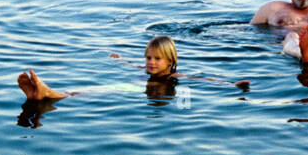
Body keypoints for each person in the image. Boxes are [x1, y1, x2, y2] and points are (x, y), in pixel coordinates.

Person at [16, 36, 249, 103]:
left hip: (136, 91)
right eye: (148, 57)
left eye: (157, 59)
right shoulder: (145, 69)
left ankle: (48, 94)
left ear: (170, 62)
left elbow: (203, 78)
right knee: (85, 90)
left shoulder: (174, 75)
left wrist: (231, 85)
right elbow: (132, 65)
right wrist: (119, 60)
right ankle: (48, 94)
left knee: (100, 90)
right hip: (134, 88)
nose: (151, 63)